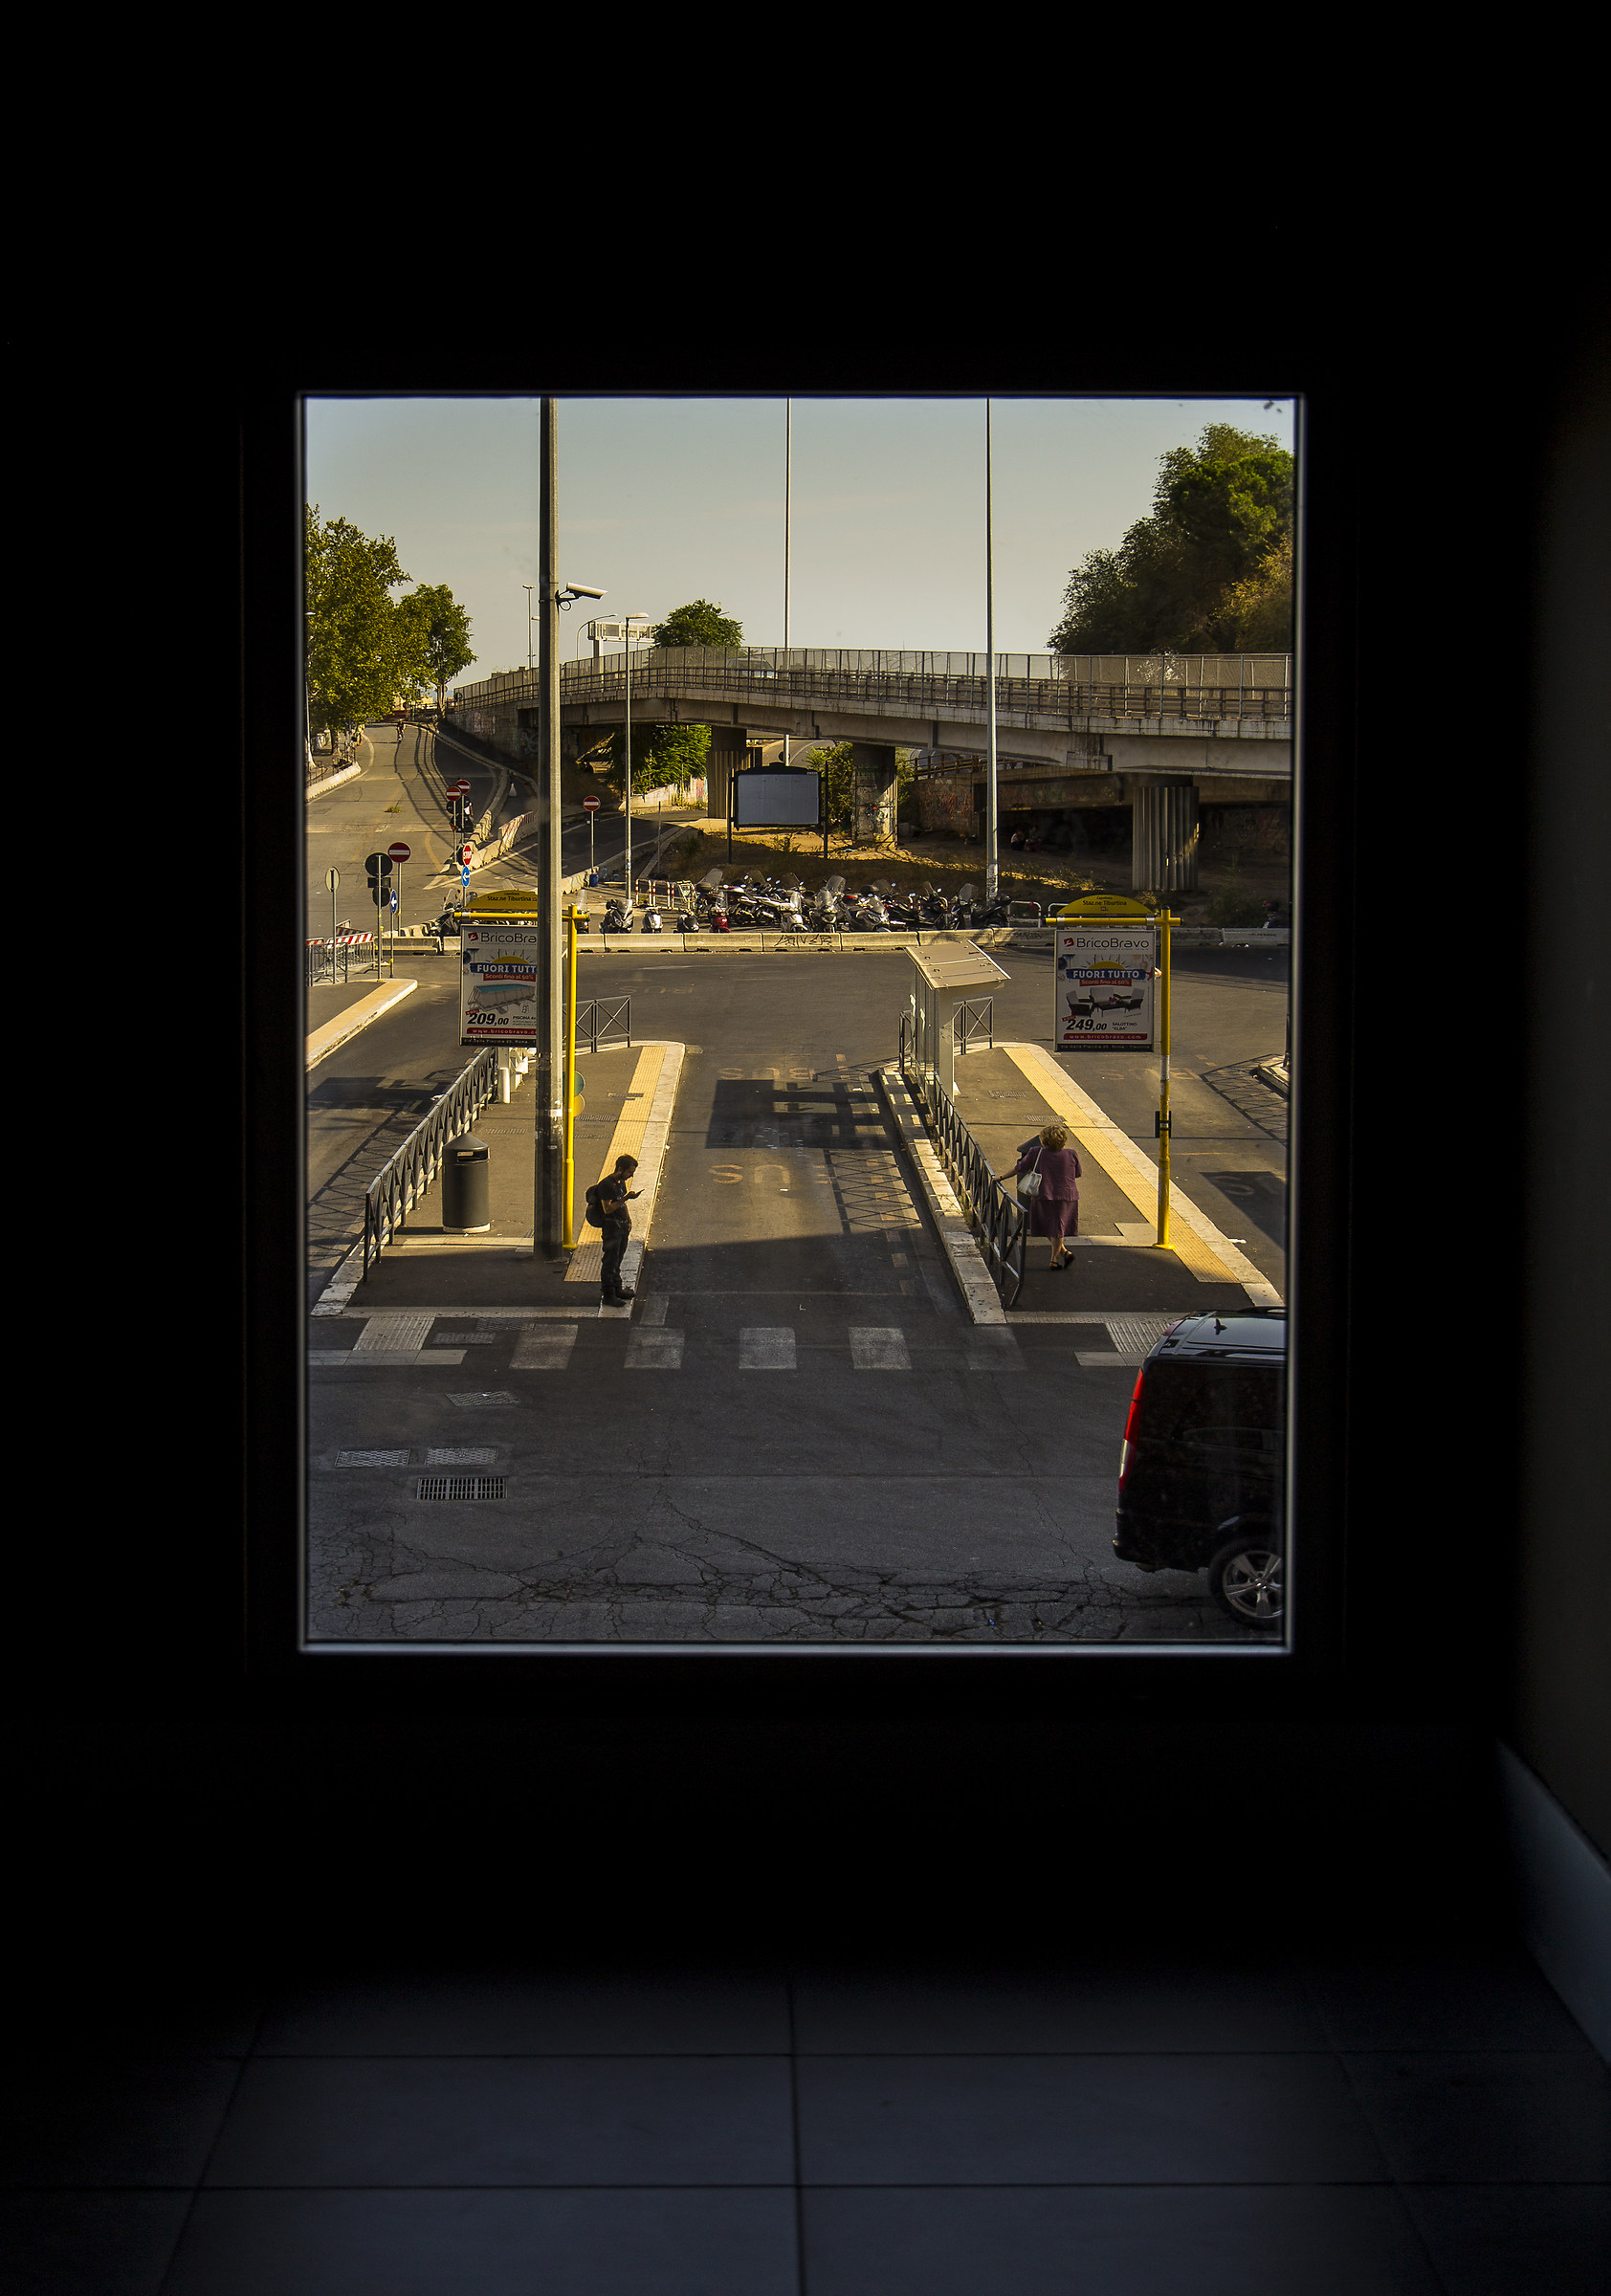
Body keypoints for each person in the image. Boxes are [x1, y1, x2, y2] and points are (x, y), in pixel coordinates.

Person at [1012, 1123, 1082, 1272]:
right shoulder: (1071, 1153)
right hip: (1067, 1195)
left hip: (1044, 1195)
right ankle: (1064, 1253)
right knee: (1058, 1228)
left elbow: (1020, 1168)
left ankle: (1054, 1260)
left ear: (1044, 1140)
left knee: (1049, 1226)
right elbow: (1078, 1173)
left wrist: (1000, 1177)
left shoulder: (1036, 1152)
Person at [589, 1153, 641, 1305]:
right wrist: (626, 1198)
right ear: (620, 1169)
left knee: (618, 1259)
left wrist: (628, 1220)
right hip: (612, 1228)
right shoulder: (606, 1185)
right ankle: (608, 1294)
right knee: (610, 1262)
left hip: (622, 1226)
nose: (631, 1175)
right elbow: (608, 1208)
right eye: (629, 1172)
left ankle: (618, 1288)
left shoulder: (620, 1183)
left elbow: (622, 1205)